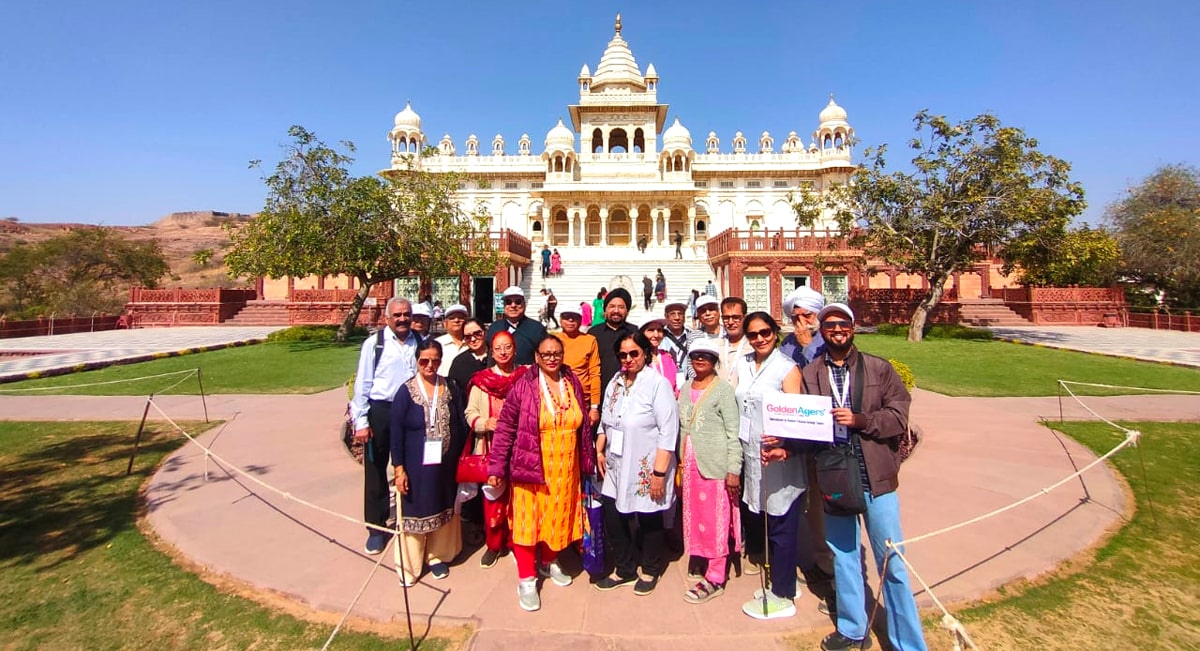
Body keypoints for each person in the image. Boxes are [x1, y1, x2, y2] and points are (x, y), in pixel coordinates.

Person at [802, 303, 927, 651]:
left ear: (853, 328)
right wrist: (783, 444)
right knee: (844, 557)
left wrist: (859, 420)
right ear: (822, 331)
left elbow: (898, 418)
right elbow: (803, 423)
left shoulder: (879, 368)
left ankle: (909, 643)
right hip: (834, 474)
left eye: (842, 324)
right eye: (829, 325)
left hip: (876, 475)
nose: (836, 330)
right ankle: (854, 629)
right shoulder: (812, 373)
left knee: (892, 561)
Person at [487, 334, 597, 612]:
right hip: (530, 466)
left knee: (558, 519)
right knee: (527, 524)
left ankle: (548, 561)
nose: (551, 358)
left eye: (556, 353)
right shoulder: (524, 385)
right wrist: (496, 467)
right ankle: (526, 578)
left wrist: (587, 460)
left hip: (565, 469)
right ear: (536, 356)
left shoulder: (570, 380)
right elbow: (506, 428)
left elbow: (583, 426)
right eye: (545, 354)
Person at [594, 331, 679, 595]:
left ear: (645, 353)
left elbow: (668, 430)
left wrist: (659, 472)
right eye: (623, 354)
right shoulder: (616, 382)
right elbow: (605, 419)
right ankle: (625, 568)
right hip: (616, 463)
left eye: (634, 353)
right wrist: (599, 449)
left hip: (647, 464)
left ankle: (651, 569)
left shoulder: (657, 384)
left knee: (649, 515)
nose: (628, 359)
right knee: (612, 512)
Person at [735, 311, 808, 620]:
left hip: (780, 457)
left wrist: (785, 447)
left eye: (765, 332)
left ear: (775, 332)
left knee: (782, 524)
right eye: (753, 334)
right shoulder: (744, 364)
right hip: (753, 456)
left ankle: (783, 594)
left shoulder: (787, 368)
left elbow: (797, 417)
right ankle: (782, 579)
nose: (759, 338)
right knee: (766, 518)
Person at [390, 339, 468, 585]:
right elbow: (396, 433)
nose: (430, 365)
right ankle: (410, 565)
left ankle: (438, 556)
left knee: (444, 506)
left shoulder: (451, 388)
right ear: (417, 361)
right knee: (416, 509)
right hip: (415, 466)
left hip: (445, 465)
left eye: (435, 360)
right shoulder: (406, 392)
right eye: (424, 360)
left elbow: (461, 423)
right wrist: (399, 469)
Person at [350, 297, 421, 555]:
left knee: (412, 468)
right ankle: (376, 528)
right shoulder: (375, 344)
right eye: (398, 315)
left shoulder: (419, 342)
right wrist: (361, 421)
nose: (403, 319)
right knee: (376, 471)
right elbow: (363, 385)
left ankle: (411, 520)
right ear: (388, 318)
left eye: (406, 314)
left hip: (411, 411)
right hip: (382, 411)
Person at [677, 339, 742, 604]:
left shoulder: (723, 390)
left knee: (716, 517)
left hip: (715, 465)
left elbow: (733, 432)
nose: (700, 359)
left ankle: (716, 575)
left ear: (715, 360)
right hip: (690, 466)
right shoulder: (684, 388)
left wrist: (733, 469)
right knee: (695, 515)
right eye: (695, 355)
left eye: (706, 356)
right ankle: (701, 556)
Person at [465, 331, 525, 568]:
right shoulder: (481, 381)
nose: (503, 352)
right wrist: (484, 423)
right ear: (491, 351)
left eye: (507, 347)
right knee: (493, 499)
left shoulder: (524, 376)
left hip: (521, 447)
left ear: (515, 349)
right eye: (498, 348)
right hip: (491, 447)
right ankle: (494, 544)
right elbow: (469, 412)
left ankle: (515, 542)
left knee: (518, 498)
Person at [587, 287, 637, 403]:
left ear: (627, 310)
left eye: (621, 307)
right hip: (599, 395)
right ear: (605, 309)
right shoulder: (593, 333)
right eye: (612, 306)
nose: (616, 311)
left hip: (630, 396)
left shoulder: (635, 332)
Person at [559, 307, 601, 427]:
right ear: (560, 319)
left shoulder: (589, 340)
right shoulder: (553, 340)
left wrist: (594, 407)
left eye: (575, 317)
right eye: (567, 316)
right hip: (557, 400)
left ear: (580, 319)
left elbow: (594, 373)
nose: (570, 320)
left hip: (583, 401)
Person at [486, 286, 547, 366]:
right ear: (504, 305)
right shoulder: (494, 328)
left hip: (528, 376)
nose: (513, 305)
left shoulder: (537, 329)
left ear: (524, 304)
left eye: (518, 302)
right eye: (508, 302)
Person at [780, 286, 826, 368]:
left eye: (807, 315)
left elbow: (826, 373)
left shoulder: (829, 339)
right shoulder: (787, 342)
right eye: (795, 317)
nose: (801, 322)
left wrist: (808, 345)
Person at [447, 318, 489, 404]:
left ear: (485, 332)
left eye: (477, 334)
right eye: (467, 337)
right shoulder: (459, 362)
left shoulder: (498, 356)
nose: (473, 339)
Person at [684, 295, 723, 378]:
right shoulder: (694, 336)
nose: (708, 313)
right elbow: (691, 365)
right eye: (703, 311)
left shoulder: (728, 333)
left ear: (718, 311)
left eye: (711, 309)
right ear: (698, 315)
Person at [639, 319, 679, 397]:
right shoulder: (635, 357)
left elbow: (676, 384)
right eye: (651, 330)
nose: (656, 335)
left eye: (659, 330)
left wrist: (676, 394)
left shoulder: (667, 357)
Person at [717, 297, 749, 384]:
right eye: (726, 318)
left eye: (736, 317)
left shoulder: (754, 346)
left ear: (745, 318)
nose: (730, 322)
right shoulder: (715, 345)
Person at [435, 304, 470, 375]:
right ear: (445, 324)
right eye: (452, 318)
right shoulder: (437, 343)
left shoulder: (473, 342)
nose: (456, 320)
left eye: (460, 318)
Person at [661, 300, 692, 375]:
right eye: (672, 314)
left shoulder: (692, 336)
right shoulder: (659, 337)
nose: (677, 318)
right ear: (666, 316)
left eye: (680, 314)